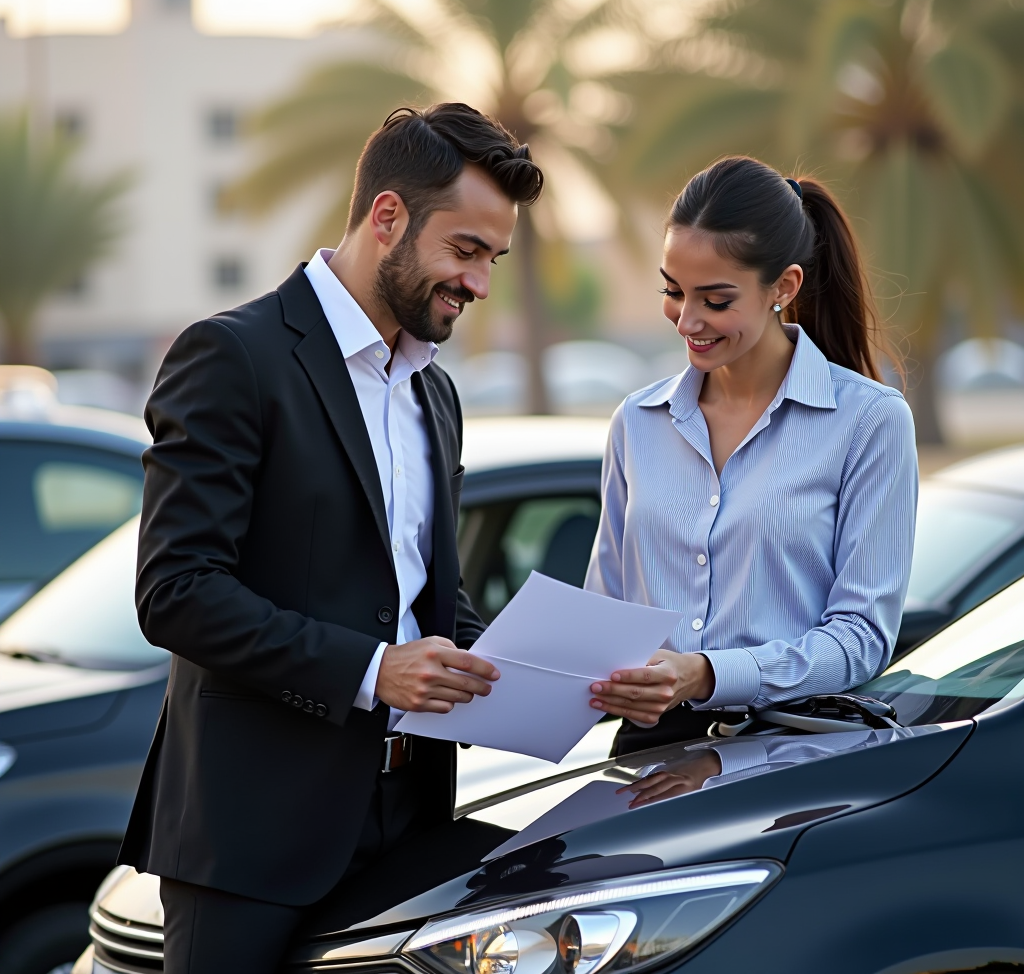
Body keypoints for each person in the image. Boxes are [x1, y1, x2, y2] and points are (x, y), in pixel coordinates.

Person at [118, 103, 544, 974]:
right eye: (465, 251)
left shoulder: (435, 393)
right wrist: (372, 670)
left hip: (413, 819)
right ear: (387, 216)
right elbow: (176, 591)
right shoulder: (232, 356)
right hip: (251, 836)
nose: (479, 284)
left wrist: (544, 678)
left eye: (493, 261)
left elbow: (423, 595)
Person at [584, 155, 918, 754]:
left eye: (715, 300)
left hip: (788, 754)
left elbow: (861, 639)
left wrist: (709, 674)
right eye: (672, 291)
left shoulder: (870, 421)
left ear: (783, 287)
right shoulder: (636, 421)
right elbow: (601, 613)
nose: (687, 321)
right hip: (645, 754)